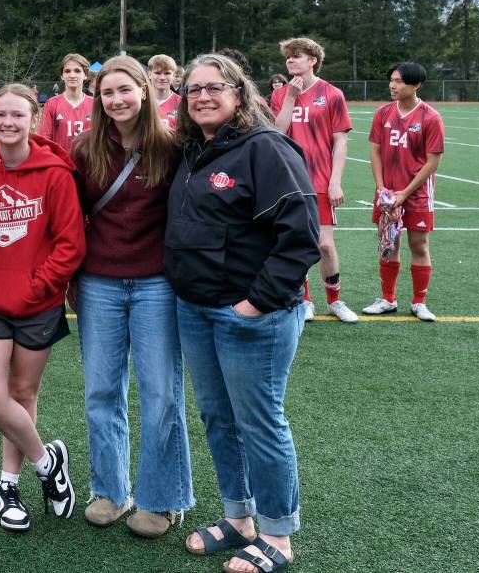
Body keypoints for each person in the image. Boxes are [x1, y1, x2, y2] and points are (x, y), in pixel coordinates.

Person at [168, 53, 319, 573]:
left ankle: (278, 534)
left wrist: (254, 305)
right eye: (193, 90)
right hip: (198, 309)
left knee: (260, 423)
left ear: (239, 93)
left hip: (251, 316)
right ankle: (240, 518)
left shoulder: (265, 148)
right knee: (218, 419)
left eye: (214, 87)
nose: (202, 97)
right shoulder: (193, 151)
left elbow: (301, 237)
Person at [0, 83, 85, 531]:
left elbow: (70, 243)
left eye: (18, 116)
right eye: (1, 115)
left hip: (38, 303)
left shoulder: (55, 173)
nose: (8, 123)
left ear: (34, 119)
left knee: (23, 394)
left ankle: (8, 485)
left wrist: (38, 286)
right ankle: (48, 464)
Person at [69, 55, 193, 537]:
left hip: (157, 284)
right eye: (107, 93)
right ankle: (111, 490)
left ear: (145, 90)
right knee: (102, 391)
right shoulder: (85, 149)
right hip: (99, 283)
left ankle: (163, 499)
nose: (116, 100)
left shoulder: (173, 146)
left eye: (125, 90)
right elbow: (69, 216)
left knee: (161, 394)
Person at [271, 37, 357, 323]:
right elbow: (277, 134)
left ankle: (335, 300)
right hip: (290, 180)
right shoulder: (281, 94)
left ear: (312, 60)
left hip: (320, 179)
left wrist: (336, 181)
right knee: (297, 241)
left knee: (325, 245)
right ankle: (305, 299)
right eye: (288, 57)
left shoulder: (332, 94)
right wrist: (292, 97)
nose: (291, 61)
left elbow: (340, 141)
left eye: (297, 56)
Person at [363, 62, 444, 322]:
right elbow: (375, 151)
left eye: (399, 81)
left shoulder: (430, 117)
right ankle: (388, 299)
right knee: (388, 244)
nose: (392, 85)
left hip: (417, 193)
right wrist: (382, 190)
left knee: (419, 244)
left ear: (416, 85)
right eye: (391, 80)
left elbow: (432, 162)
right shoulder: (383, 113)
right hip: (387, 193)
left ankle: (419, 302)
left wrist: (404, 193)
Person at [38, 53, 94, 155]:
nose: (72, 75)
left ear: (85, 75)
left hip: (88, 165)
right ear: (62, 76)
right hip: (61, 164)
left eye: (77, 71)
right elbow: (44, 140)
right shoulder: (52, 104)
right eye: (67, 71)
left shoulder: (95, 104)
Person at [148, 54, 181, 129]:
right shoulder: (140, 101)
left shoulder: (182, 104)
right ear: (149, 74)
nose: (162, 78)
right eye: (157, 73)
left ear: (173, 75)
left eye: (167, 73)